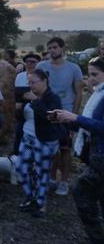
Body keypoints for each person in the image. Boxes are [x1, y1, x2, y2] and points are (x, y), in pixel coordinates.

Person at [54, 57, 104, 244]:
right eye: (89, 74)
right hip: (95, 154)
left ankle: (97, 238)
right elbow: (90, 126)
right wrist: (68, 121)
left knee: (80, 190)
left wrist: (76, 119)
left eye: (95, 74)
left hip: (101, 155)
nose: (90, 79)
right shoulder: (99, 94)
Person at [36, 37, 84, 196]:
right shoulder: (41, 66)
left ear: (62, 48)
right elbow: (35, 87)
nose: (52, 51)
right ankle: (50, 178)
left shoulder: (74, 68)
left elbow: (78, 93)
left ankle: (64, 181)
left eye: (55, 47)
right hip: (47, 114)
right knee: (50, 149)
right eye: (49, 48)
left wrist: (74, 116)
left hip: (66, 113)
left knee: (65, 149)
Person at [16, 69, 63, 217]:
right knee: (21, 168)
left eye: (34, 82)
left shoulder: (52, 98)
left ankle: (40, 204)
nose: (31, 86)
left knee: (42, 173)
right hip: (27, 137)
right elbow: (22, 115)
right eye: (29, 83)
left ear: (44, 81)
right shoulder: (29, 96)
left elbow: (51, 117)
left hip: (44, 140)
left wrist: (35, 101)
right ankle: (31, 197)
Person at [13, 53, 41, 155]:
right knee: (19, 134)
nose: (30, 64)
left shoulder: (42, 78)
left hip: (37, 110)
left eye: (33, 62)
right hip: (21, 110)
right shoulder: (20, 76)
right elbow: (17, 93)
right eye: (27, 62)